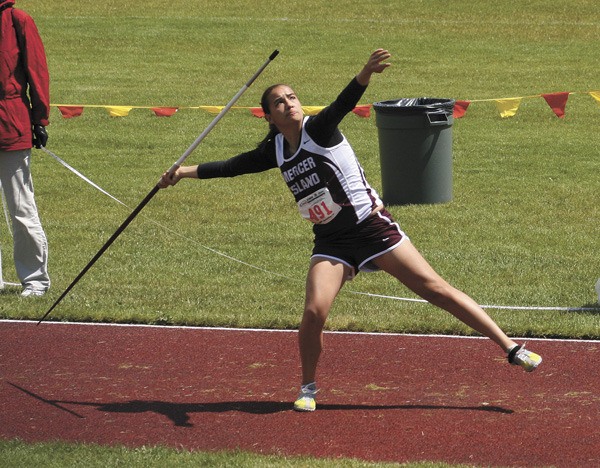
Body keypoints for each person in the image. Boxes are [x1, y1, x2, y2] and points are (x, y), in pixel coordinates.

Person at [159, 49, 542, 412]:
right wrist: (182, 173)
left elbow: (343, 102)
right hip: (332, 241)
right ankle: (307, 388)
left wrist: (365, 73)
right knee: (313, 311)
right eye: (280, 102)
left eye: (293, 97)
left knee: (434, 289)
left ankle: (511, 348)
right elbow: (232, 166)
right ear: (269, 116)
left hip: (370, 227)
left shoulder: (319, 129)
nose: (290, 103)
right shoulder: (274, 150)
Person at [0, 0, 50, 296]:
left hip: (11, 125)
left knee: (21, 208)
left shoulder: (18, 20)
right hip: (12, 122)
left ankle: (34, 280)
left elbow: (37, 70)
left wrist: (39, 119)